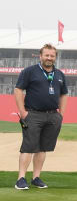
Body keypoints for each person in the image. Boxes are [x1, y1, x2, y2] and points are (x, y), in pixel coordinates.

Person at [12, 44, 67, 190]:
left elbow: (63, 94)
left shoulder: (60, 74)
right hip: (33, 114)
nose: (49, 58)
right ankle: (21, 179)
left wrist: (61, 114)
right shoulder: (30, 71)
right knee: (28, 147)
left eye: (52, 56)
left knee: (43, 148)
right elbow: (18, 90)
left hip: (52, 116)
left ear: (55, 57)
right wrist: (23, 112)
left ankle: (36, 178)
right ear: (40, 56)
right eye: (46, 55)